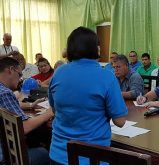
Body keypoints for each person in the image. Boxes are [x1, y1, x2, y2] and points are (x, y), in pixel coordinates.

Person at [48, 27, 128, 165]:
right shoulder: (106, 76)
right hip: (93, 157)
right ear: (96, 49)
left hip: (58, 155)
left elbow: (54, 110)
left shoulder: (58, 73)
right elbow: (120, 122)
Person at [0, 57, 52, 165]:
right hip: (6, 156)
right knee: (44, 152)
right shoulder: (5, 93)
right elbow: (24, 127)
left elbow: (9, 105)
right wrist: (49, 113)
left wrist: (30, 105)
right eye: (19, 74)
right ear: (10, 70)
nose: (20, 79)